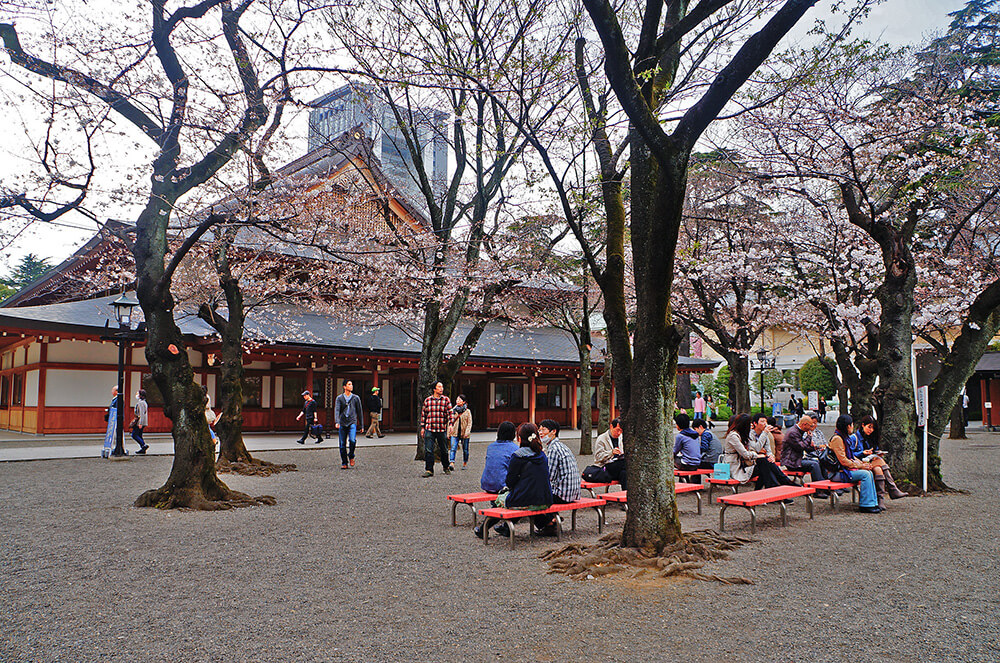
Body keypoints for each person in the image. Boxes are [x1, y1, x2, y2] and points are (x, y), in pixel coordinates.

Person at [474, 422, 553, 540]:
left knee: (505, 499)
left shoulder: (518, 456)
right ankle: (507, 527)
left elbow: (510, 481)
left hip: (525, 501)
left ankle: (483, 528)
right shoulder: (542, 455)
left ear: (519, 438)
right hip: (545, 499)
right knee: (527, 497)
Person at [723, 413, 796, 495]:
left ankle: (770, 490)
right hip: (735, 468)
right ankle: (778, 487)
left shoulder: (741, 434)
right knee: (764, 463)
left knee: (766, 464)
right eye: (749, 424)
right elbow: (746, 454)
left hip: (744, 464)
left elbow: (765, 449)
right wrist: (758, 455)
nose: (751, 425)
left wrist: (770, 455)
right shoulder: (734, 436)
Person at [848, 415, 908, 508]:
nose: (871, 430)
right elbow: (849, 454)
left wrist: (877, 453)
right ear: (863, 425)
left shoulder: (871, 437)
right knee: (880, 461)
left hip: (870, 463)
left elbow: (874, 450)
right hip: (859, 465)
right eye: (869, 427)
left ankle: (880, 500)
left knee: (878, 469)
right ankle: (892, 489)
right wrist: (862, 453)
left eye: (873, 428)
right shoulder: (854, 438)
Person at [827, 414, 881, 513]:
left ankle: (872, 503)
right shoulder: (837, 439)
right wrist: (860, 465)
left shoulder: (844, 437)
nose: (852, 427)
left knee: (868, 472)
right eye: (851, 425)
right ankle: (866, 505)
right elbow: (843, 460)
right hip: (838, 473)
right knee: (865, 474)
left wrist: (862, 464)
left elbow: (851, 456)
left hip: (844, 471)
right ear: (847, 426)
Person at [537, 419, 581, 535]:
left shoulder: (553, 449)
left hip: (563, 494)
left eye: (543, 430)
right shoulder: (561, 446)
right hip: (572, 492)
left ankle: (549, 523)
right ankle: (551, 521)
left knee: (532, 497)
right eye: (539, 430)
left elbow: (549, 476)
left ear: (553, 432)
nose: (540, 433)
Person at [781, 415, 827, 492]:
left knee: (820, 461)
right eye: (810, 425)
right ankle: (819, 490)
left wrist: (814, 447)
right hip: (792, 462)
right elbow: (801, 447)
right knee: (814, 464)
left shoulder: (799, 431)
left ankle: (825, 485)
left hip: (797, 459)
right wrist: (809, 437)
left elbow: (806, 448)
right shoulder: (793, 432)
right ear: (804, 424)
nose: (811, 428)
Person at [420, 381, 452, 477]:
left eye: (442, 387)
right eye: (439, 387)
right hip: (429, 428)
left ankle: (446, 466)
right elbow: (423, 415)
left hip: (441, 428)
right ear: (434, 389)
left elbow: (450, 413)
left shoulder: (446, 400)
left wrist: (450, 425)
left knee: (444, 449)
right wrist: (422, 427)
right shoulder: (428, 400)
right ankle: (429, 469)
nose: (441, 388)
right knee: (428, 450)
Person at [480, 421, 519, 494]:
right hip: (502, 485)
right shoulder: (514, 448)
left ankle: (494, 504)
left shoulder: (491, 447)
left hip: (487, 484)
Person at [335, 380, 364, 469]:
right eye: (349, 384)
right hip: (343, 422)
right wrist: (337, 421)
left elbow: (360, 412)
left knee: (352, 440)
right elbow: (337, 410)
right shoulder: (339, 398)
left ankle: (351, 455)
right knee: (342, 443)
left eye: (351, 384)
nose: (351, 386)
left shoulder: (356, 398)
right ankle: (344, 462)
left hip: (352, 421)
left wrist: (362, 425)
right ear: (344, 387)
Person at [592, 418, 627, 489]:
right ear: (611, 426)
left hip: (618, 467)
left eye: (621, 431)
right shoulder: (602, 439)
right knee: (624, 464)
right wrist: (611, 453)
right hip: (605, 467)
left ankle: (625, 496)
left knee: (624, 473)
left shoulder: (621, 438)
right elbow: (598, 457)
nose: (619, 433)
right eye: (617, 430)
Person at [673, 412, 702, 481]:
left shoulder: (680, 436)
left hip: (687, 465)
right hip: (697, 463)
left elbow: (675, 451)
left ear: (678, 425)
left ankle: (681, 481)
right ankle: (684, 480)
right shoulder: (695, 434)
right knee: (682, 458)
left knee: (671, 459)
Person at [448, 394, 473, 470]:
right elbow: (449, 422)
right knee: (453, 448)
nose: (457, 401)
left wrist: (467, 432)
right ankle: (452, 463)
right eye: (457, 399)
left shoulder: (467, 411)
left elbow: (469, 423)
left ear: (464, 402)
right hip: (455, 432)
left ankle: (465, 462)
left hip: (464, 433)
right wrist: (448, 433)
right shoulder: (453, 411)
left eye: (459, 400)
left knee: (465, 449)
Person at [132, 389, 149, 454]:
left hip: (139, 422)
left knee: (134, 434)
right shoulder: (143, 402)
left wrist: (140, 423)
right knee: (139, 435)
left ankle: (143, 445)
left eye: (137, 394)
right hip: (142, 422)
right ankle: (143, 448)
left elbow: (141, 414)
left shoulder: (140, 403)